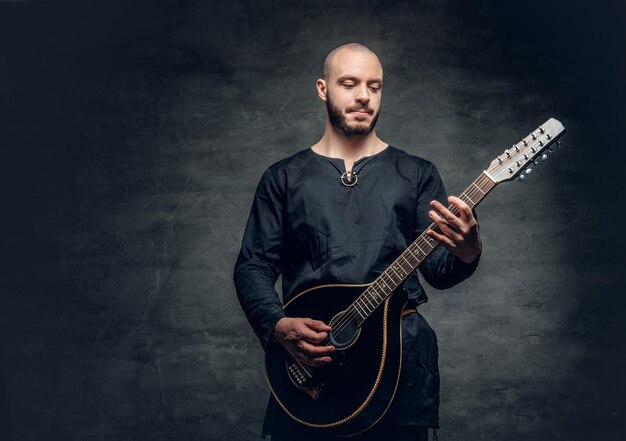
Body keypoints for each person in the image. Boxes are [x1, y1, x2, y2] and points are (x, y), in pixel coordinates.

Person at [233, 43, 482, 441]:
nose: (363, 96)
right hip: (314, 366)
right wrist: (277, 325)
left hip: (397, 364)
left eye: (374, 86)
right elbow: (254, 266)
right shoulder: (283, 177)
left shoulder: (416, 173)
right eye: (349, 84)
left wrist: (467, 250)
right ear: (322, 88)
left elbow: (436, 270)